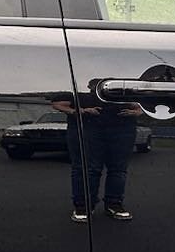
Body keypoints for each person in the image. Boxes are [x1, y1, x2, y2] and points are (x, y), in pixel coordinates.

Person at [51, 92, 142, 221]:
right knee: (88, 168)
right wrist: (80, 111)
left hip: (122, 128)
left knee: (119, 169)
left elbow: (142, 105)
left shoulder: (122, 94)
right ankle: (84, 205)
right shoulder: (81, 96)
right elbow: (57, 104)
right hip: (88, 127)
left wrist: (138, 112)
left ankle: (114, 204)